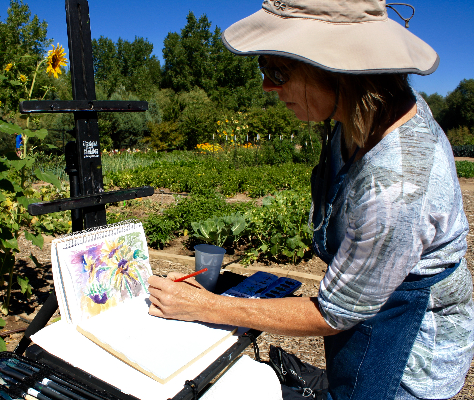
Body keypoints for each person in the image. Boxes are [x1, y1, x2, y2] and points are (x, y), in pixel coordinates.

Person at [147, 1, 474, 399]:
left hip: (407, 360)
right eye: (263, 68)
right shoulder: (356, 116)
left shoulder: (398, 186)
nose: (268, 86)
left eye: (279, 71)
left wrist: (203, 306)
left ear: (338, 68)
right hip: (369, 319)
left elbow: (334, 313)